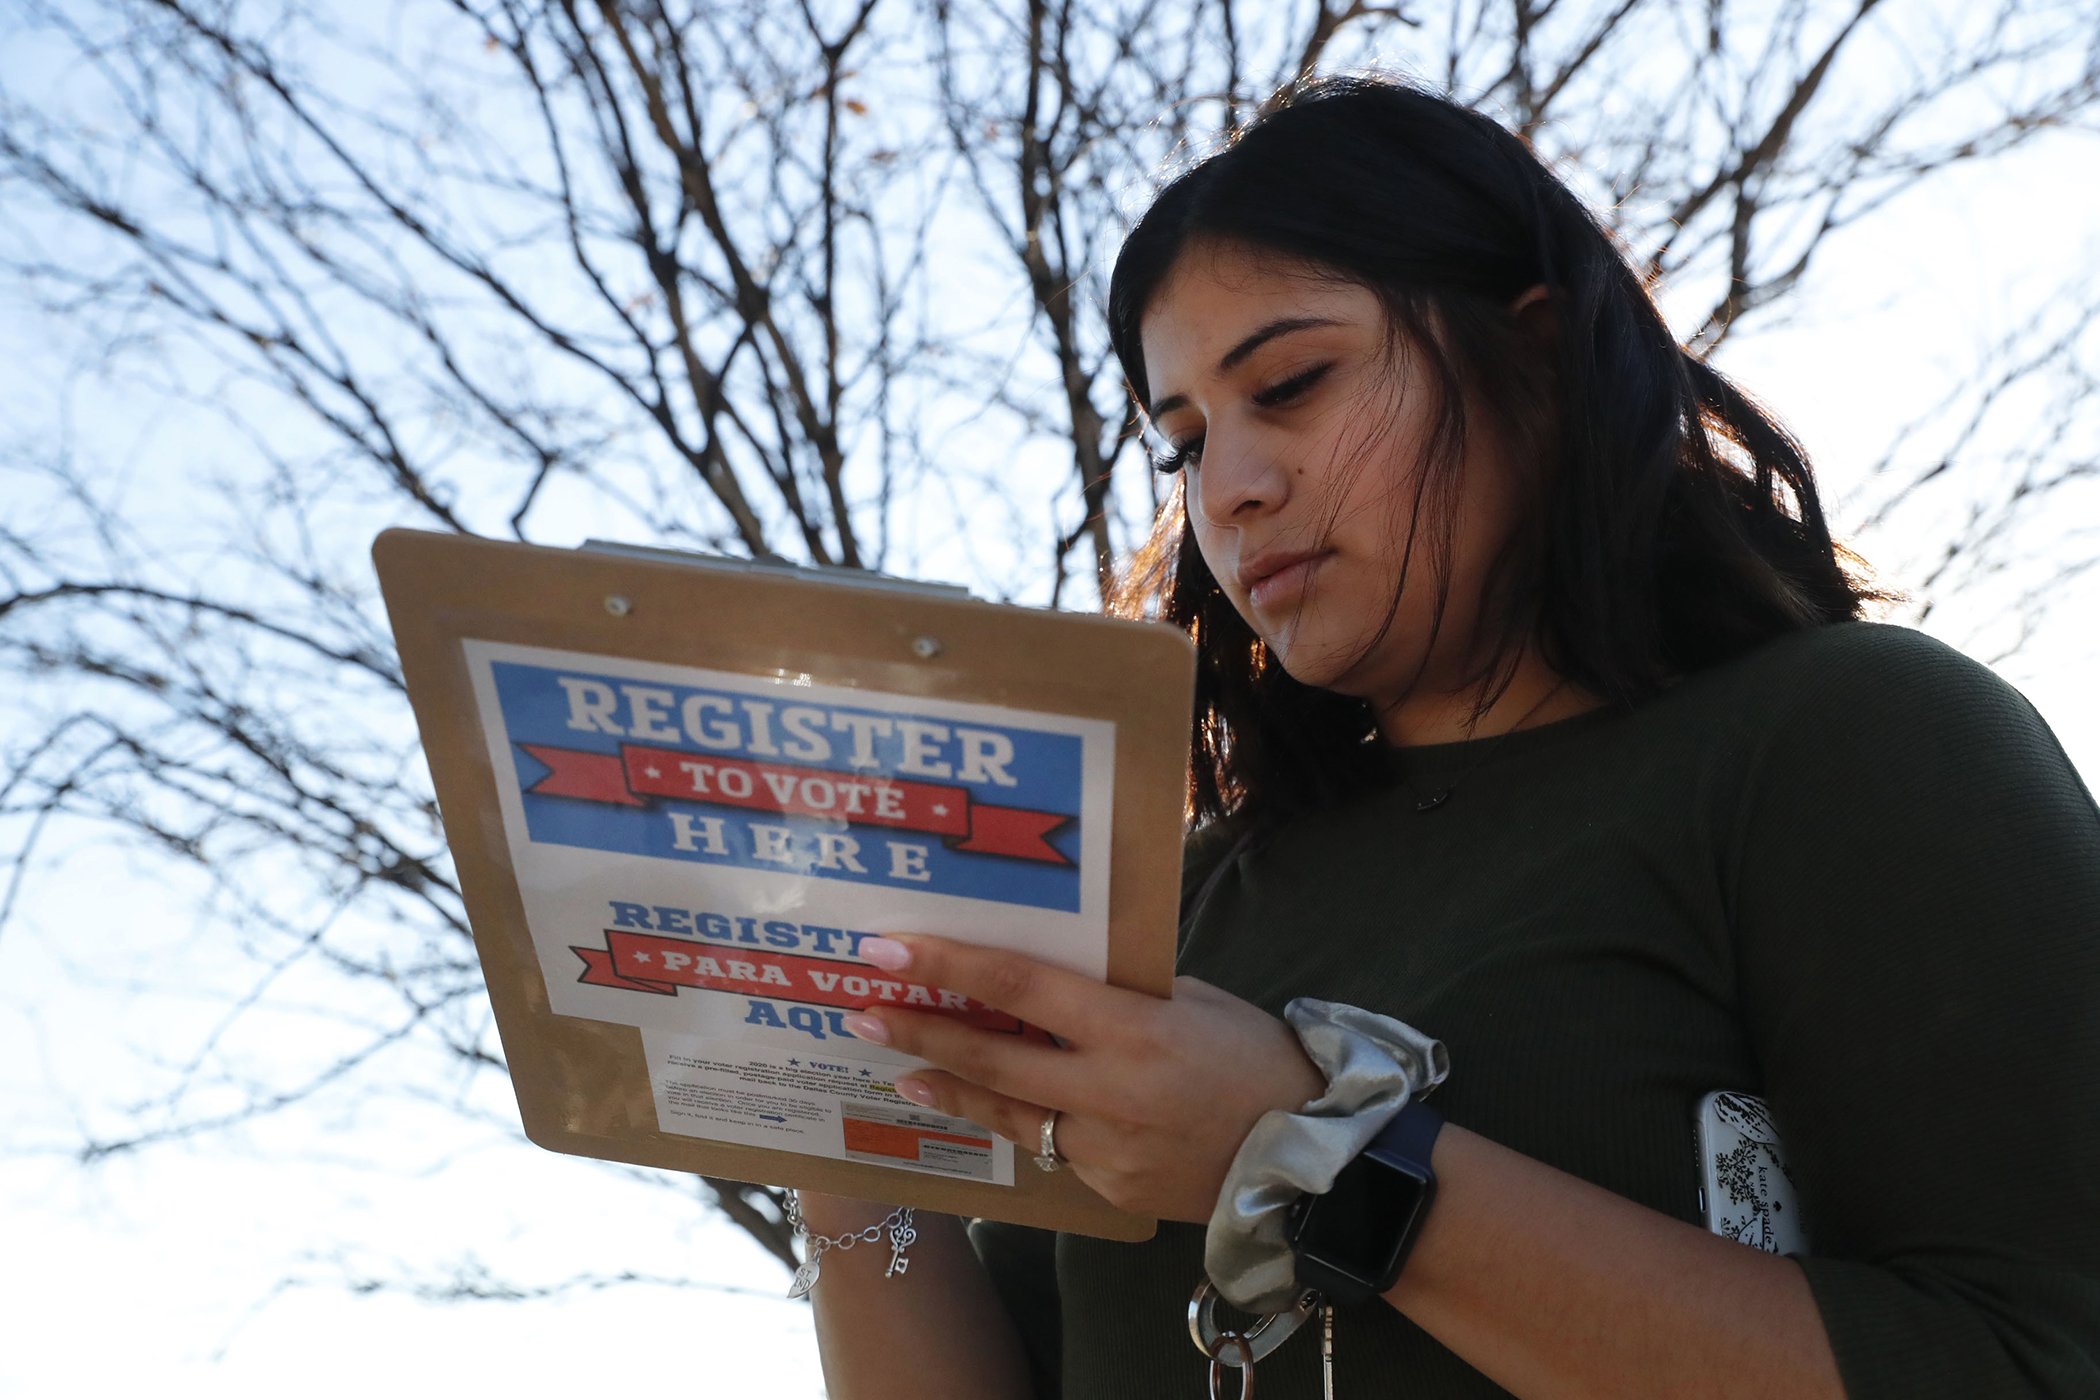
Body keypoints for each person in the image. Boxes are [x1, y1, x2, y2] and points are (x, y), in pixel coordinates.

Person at [791, 75, 2100, 1398]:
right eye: (1186, 440)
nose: (1230, 488)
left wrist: (1310, 1153)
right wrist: (829, 1145)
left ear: (1533, 360)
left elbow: (2033, 1356)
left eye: (1291, 384)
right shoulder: (1181, 903)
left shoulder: (1852, 744)